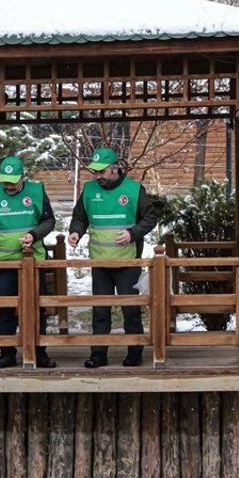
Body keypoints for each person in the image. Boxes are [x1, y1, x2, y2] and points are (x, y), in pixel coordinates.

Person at [67, 147, 159, 367]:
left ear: (116, 167)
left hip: (127, 261)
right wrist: (75, 232)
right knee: (100, 309)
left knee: (130, 309)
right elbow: (80, 216)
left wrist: (132, 233)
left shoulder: (135, 190)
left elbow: (150, 218)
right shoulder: (89, 190)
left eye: (102, 172)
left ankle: (134, 351)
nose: (98, 176)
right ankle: (98, 353)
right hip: (100, 261)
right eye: (95, 172)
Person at [0, 156, 57, 369]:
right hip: (4, 263)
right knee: (6, 309)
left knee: (37, 308)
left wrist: (34, 234)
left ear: (23, 177)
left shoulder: (37, 192)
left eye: (13, 181)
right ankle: (6, 353)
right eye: (5, 181)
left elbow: (49, 220)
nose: (8, 186)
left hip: (33, 261)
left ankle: (39, 352)